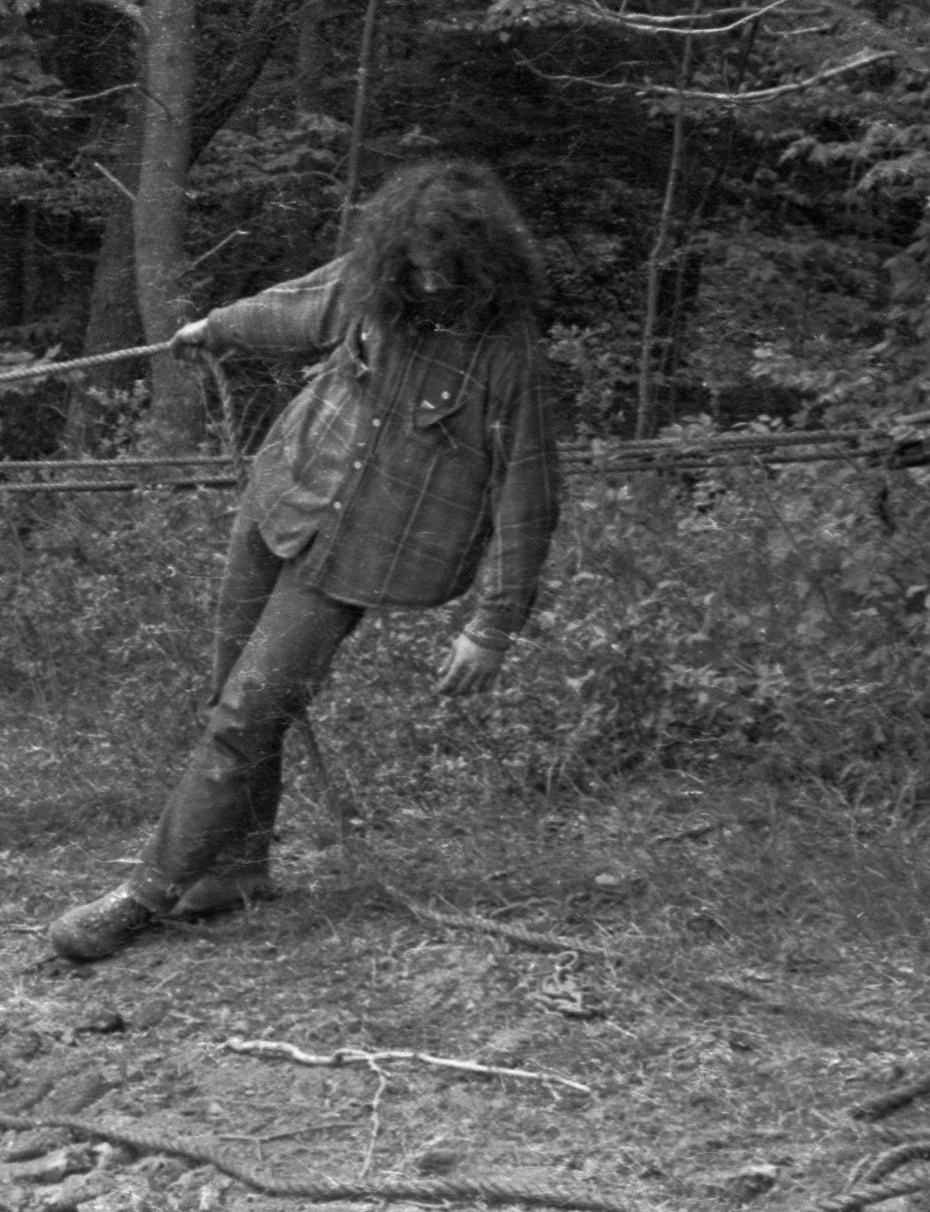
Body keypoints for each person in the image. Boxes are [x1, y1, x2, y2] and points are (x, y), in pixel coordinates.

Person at [47, 159, 560, 963]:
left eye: (444, 268)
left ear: (483, 260)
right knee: (231, 698)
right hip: (282, 496)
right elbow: (292, 309)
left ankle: (143, 895)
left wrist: (492, 627)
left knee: (246, 714)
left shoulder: (508, 356)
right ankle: (240, 867)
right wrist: (212, 327)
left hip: (364, 554)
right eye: (414, 264)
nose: (426, 282)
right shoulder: (370, 282)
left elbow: (526, 494)